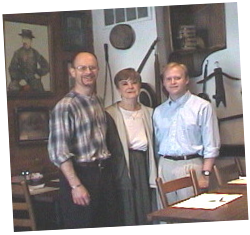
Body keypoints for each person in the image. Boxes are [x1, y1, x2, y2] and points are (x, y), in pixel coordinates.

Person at [48, 52, 116, 229]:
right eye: (82, 68)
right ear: (72, 72)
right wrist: (76, 185)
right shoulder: (65, 107)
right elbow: (59, 153)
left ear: (98, 70)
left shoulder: (98, 101)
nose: (88, 72)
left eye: (92, 67)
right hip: (81, 177)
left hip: (103, 175)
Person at [153, 62, 220, 206]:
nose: (173, 82)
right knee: (167, 214)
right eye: (168, 79)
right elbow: (157, 142)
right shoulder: (158, 111)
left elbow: (211, 144)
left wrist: (206, 174)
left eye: (177, 78)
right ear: (163, 82)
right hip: (165, 166)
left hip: (191, 165)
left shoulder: (202, 107)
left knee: (192, 212)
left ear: (186, 80)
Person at [106, 68, 157, 227]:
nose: (130, 87)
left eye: (134, 83)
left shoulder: (149, 112)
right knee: (127, 206)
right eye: (124, 83)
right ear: (118, 88)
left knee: (145, 204)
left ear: (139, 86)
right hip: (122, 164)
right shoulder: (109, 113)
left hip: (144, 162)